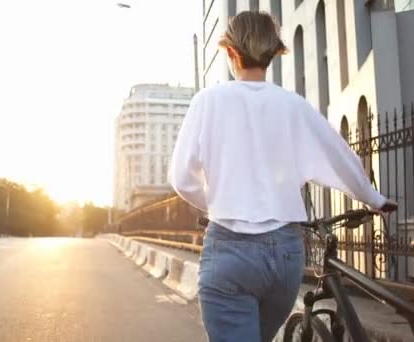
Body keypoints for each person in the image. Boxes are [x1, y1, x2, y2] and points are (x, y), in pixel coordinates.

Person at [168, 11, 397, 342]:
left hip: (229, 250)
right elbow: (338, 155)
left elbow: (181, 178)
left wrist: (217, 202)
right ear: (273, 53)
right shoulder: (294, 105)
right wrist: (373, 199)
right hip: (285, 254)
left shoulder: (207, 101)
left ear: (231, 52)